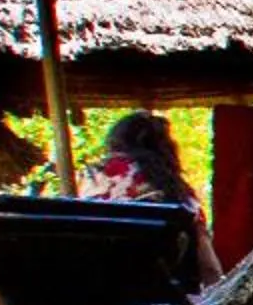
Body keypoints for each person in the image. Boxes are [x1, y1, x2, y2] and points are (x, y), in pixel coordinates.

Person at [77, 111, 220, 286]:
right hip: (167, 298)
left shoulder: (95, 178)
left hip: (105, 293)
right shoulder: (177, 191)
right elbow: (209, 267)